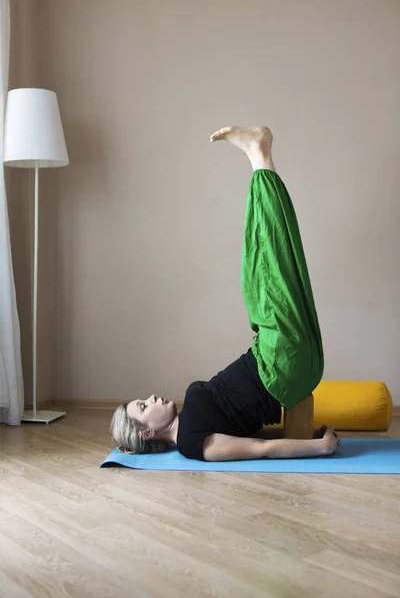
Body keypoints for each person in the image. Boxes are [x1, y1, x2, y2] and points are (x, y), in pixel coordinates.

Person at [110, 126, 341, 461]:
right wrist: (319, 446)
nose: (152, 396)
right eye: (143, 406)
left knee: (275, 262)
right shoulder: (192, 443)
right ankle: (258, 153)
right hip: (278, 366)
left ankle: (258, 155)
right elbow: (259, 448)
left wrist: (310, 434)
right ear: (147, 432)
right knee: (266, 262)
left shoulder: (191, 423)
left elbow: (258, 434)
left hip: (278, 358)